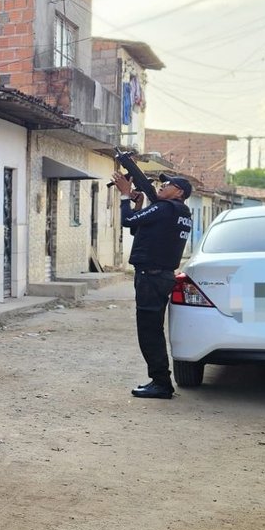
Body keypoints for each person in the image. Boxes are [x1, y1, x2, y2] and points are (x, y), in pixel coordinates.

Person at [112, 152, 194, 399]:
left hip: (151, 276)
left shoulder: (165, 208)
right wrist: (138, 203)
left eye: (168, 184)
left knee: (149, 332)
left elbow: (127, 221)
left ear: (179, 192)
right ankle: (160, 381)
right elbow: (139, 229)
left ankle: (161, 383)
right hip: (159, 276)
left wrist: (124, 195)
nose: (161, 185)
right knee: (153, 330)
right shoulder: (178, 212)